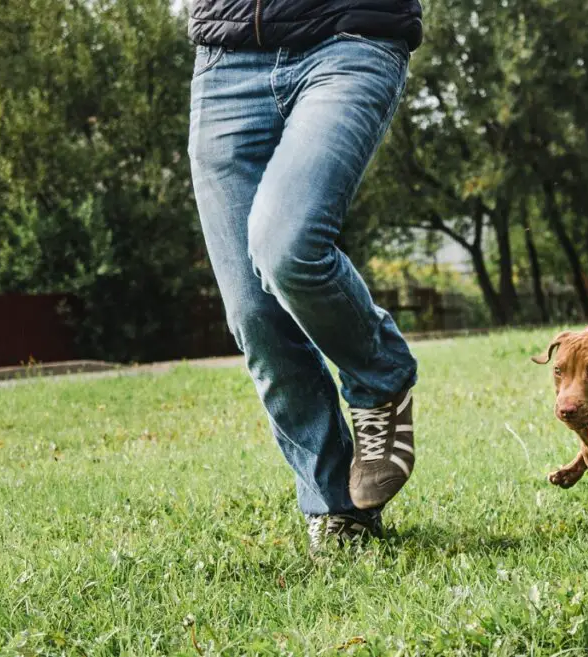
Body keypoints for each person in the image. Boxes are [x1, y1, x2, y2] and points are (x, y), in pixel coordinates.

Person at [187, 0, 424, 551]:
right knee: (253, 314)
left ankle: (381, 376)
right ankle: (336, 508)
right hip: (226, 55)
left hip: (351, 35)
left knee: (286, 245)